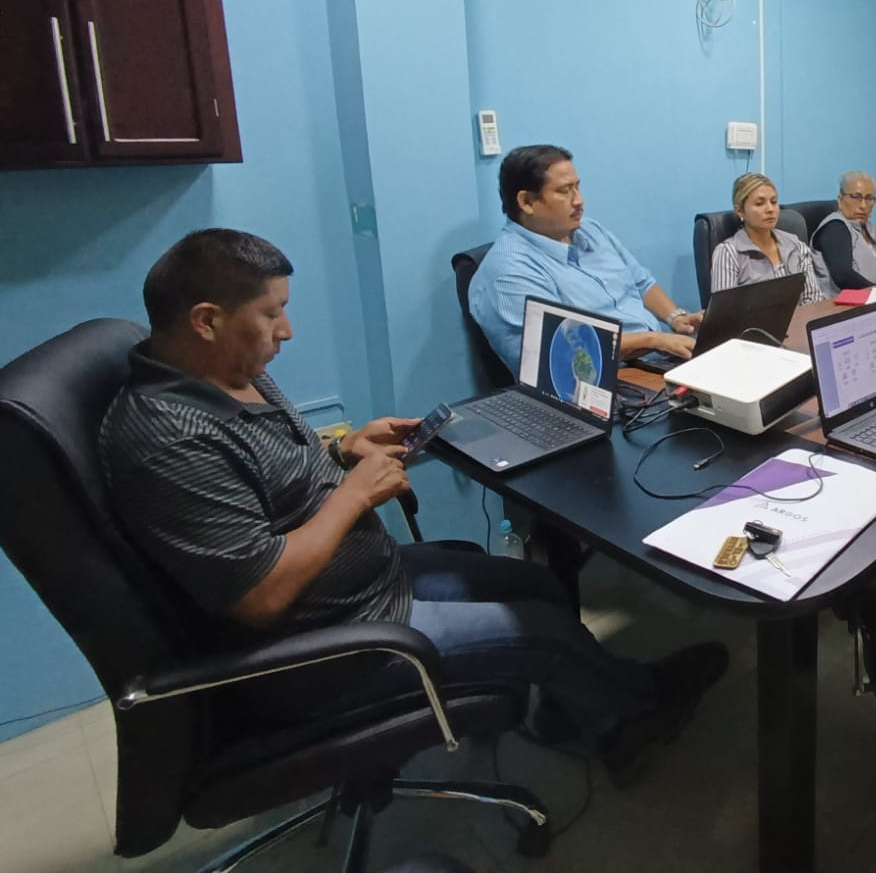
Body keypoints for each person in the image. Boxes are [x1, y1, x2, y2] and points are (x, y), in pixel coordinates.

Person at [100, 229, 727, 784]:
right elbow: (259, 596)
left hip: (365, 578)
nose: (285, 331)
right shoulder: (170, 439)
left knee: (536, 583)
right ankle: (632, 718)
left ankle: (585, 709)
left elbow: (262, 476)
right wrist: (354, 493)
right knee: (542, 629)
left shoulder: (228, 372)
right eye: (271, 315)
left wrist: (344, 448)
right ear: (206, 320)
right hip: (327, 640)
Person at [470, 145, 704, 370]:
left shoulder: (591, 230)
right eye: (564, 191)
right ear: (527, 202)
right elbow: (562, 349)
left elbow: (641, 282)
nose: (579, 200)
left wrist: (675, 318)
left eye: (577, 187)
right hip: (603, 379)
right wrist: (653, 340)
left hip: (655, 358)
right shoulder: (509, 271)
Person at [708, 173, 827, 305]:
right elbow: (725, 311)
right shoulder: (728, 253)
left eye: (774, 202)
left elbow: (813, 299)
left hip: (800, 318)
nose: (770, 209)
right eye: (759, 203)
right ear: (740, 211)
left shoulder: (797, 246)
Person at [811, 171, 876, 290]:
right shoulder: (835, 228)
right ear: (840, 200)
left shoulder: (868, 227)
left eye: (869, 198)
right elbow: (843, 276)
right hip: (850, 299)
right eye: (856, 197)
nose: (863, 205)